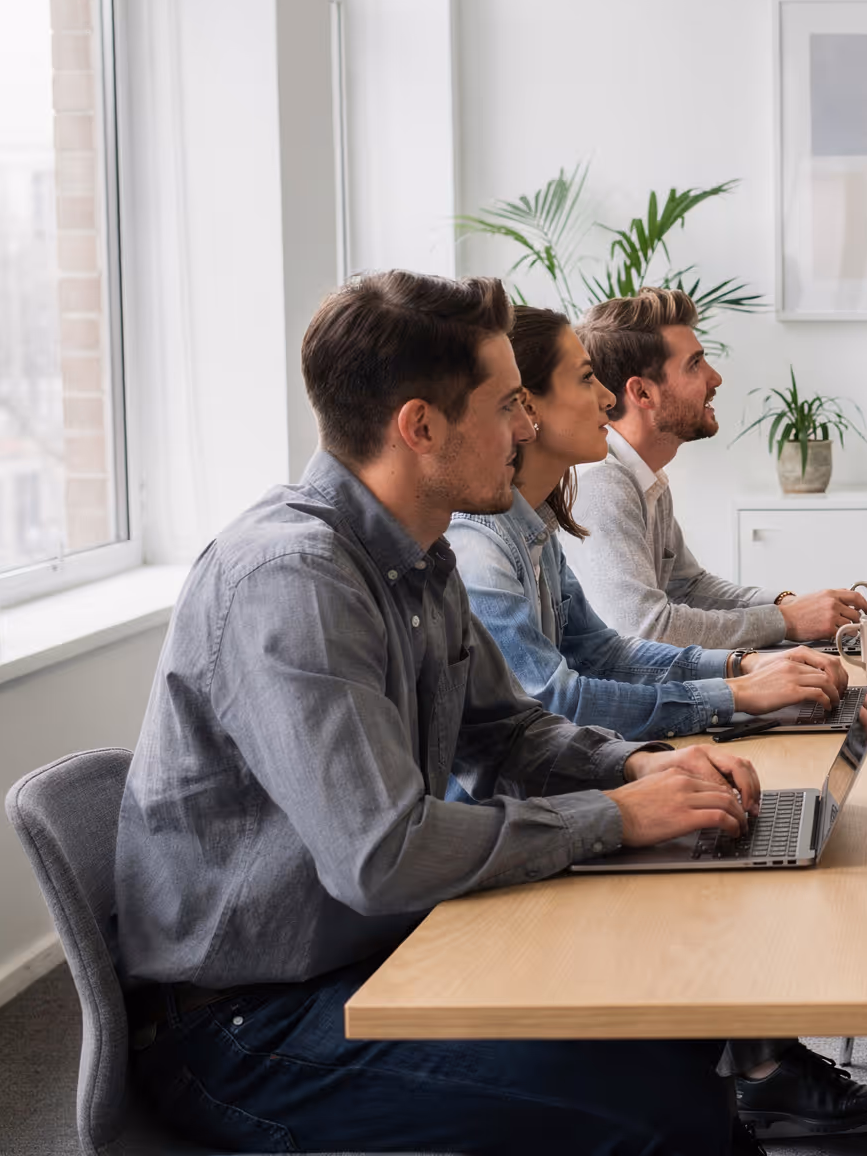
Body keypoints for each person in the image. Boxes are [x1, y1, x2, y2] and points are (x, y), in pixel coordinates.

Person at [114, 270, 780, 1155]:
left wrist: (637, 767)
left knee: (676, 1016)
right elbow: (383, 856)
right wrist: (615, 817)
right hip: (247, 1030)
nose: (529, 426)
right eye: (507, 404)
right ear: (420, 426)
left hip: (370, 956)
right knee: (659, 1106)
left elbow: (506, 729)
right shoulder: (292, 581)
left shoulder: (419, 557)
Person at [445, 304, 867, 1136]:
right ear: (527, 411)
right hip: (511, 823)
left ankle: (754, 1057)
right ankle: (743, 1064)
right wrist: (734, 689)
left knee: (742, 811)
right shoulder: (482, 545)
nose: (607, 402)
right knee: (720, 820)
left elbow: (606, 649)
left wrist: (739, 668)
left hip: (550, 782)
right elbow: (562, 694)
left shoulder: (534, 524)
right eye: (588, 382)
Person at [566, 288, 867, 646]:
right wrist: (784, 621)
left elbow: (689, 586)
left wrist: (786, 603)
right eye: (694, 364)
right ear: (643, 394)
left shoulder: (647, 479)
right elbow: (646, 628)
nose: (715, 378)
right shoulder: (602, 482)